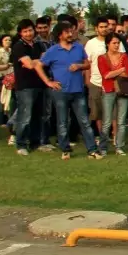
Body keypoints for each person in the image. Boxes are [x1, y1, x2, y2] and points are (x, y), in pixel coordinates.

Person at [36, 22, 100, 160]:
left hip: (78, 91)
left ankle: (92, 150)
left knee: (84, 121)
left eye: (71, 31)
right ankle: (65, 149)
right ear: (60, 35)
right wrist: (48, 82)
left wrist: (79, 66)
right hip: (61, 92)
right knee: (62, 122)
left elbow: (88, 64)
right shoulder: (53, 50)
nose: (70, 34)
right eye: (67, 32)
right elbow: (38, 66)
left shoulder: (78, 47)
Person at [9, 19, 45, 155]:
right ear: (20, 33)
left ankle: (36, 142)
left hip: (39, 84)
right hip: (25, 86)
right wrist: (36, 62)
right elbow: (30, 65)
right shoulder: (19, 46)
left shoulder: (39, 45)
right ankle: (21, 144)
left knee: (37, 115)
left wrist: (34, 62)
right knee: (25, 115)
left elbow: (45, 61)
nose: (29, 33)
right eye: (25, 31)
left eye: (30, 30)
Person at [96, 34, 128, 155]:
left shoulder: (124, 56)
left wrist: (114, 73)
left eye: (118, 43)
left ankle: (119, 147)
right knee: (106, 121)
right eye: (114, 43)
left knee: (121, 121)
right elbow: (105, 75)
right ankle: (103, 148)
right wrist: (120, 70)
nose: (117, 45)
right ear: (108, 44)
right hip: (108, 90)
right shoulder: (102, 58)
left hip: (123, 91)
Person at [0, 34, 14, 143]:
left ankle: (7, 120)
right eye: (6, 40)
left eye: (9, 40)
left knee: (8, 100)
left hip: (10, 77)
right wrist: (6, 66)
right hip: (1, 77)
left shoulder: (11, 51)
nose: (8, 41)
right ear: (1, 41)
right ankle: (1, 121)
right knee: (1, 99)